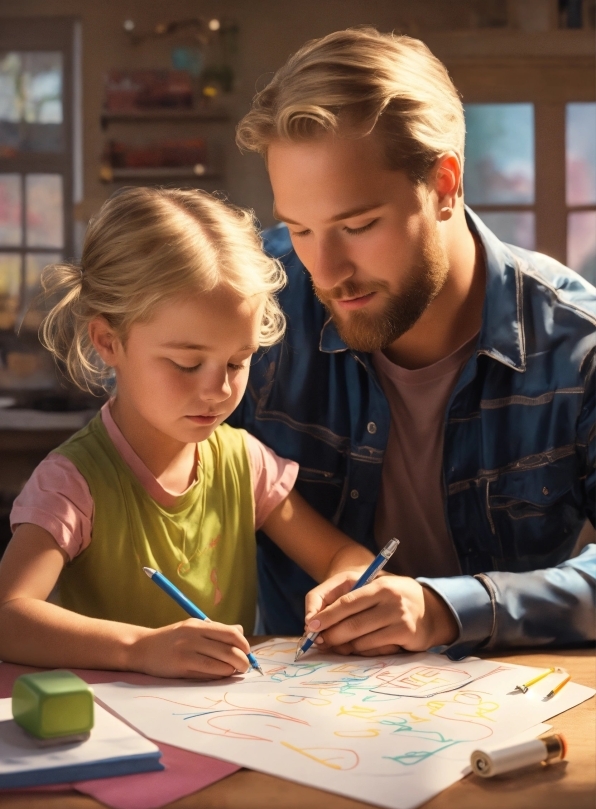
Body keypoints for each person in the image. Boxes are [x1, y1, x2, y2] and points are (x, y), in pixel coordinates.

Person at [229, 27, 596, 658]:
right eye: (301, 228)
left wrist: (450, 609)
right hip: (293, 714)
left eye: (359, 225)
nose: (327, 270)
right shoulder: (251, 299)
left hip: (509, 714)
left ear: (445, 186)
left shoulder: (575, 343)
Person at [0, 187, 376, 679]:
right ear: (108, 341)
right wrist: (140, 648)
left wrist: (350, 584)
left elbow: (343, 555)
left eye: (237, 362)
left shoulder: (245, 462)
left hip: (223, 732)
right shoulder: (73, 483)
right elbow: (9, 617)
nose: (217, 390)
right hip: (113, 737)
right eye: (186, 363)